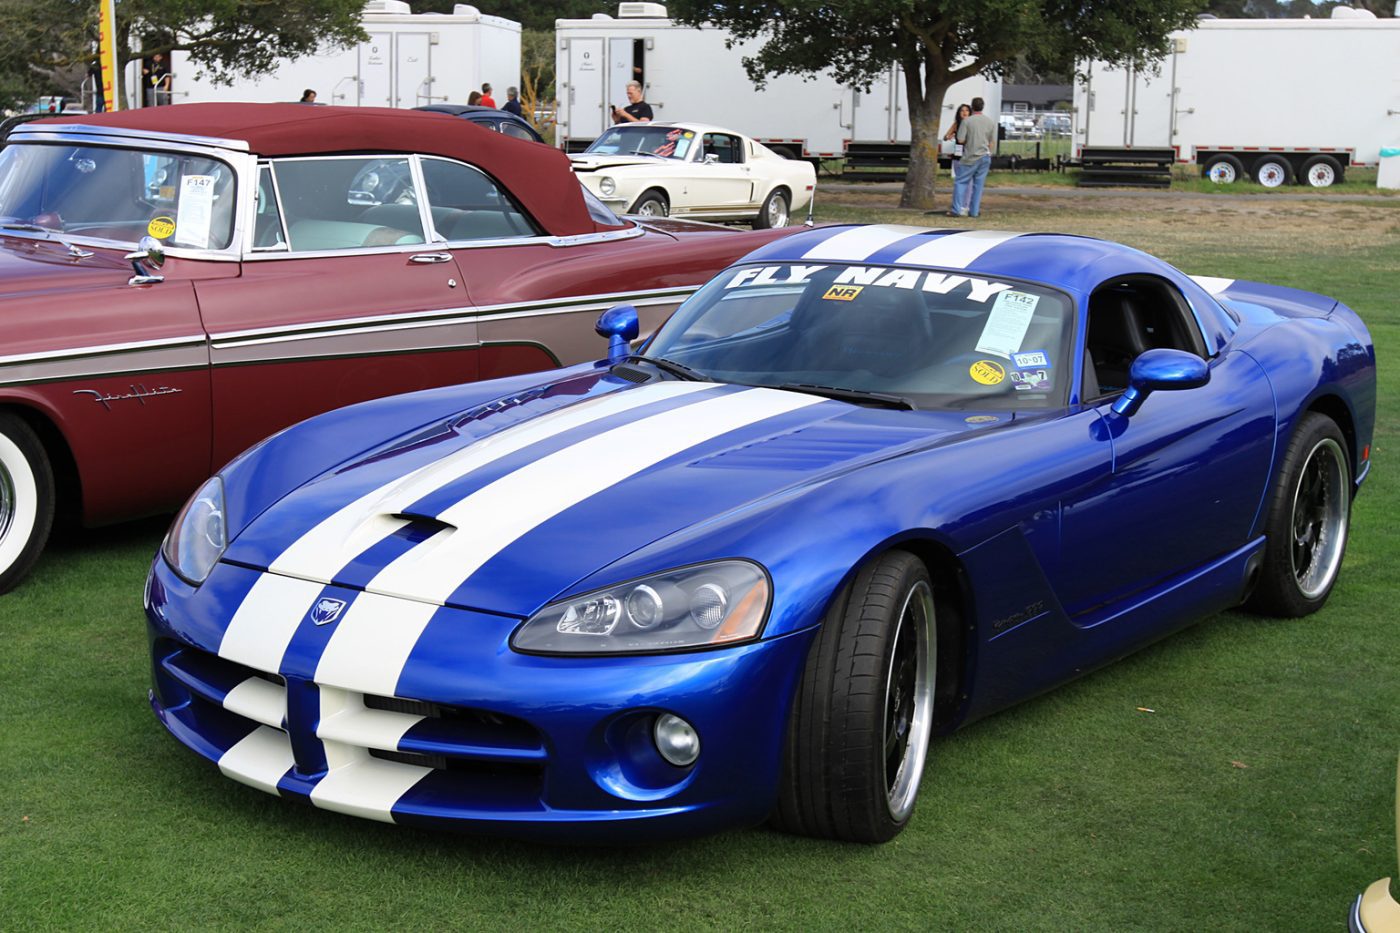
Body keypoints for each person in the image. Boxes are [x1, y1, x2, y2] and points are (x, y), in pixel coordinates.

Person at [952, 96, 997, 218]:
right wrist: (989, 152)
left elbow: (960, 140)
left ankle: (957, 210)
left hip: (970, 157)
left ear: (972, 107)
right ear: (983, 107)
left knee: (961, 182)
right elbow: (992, 141)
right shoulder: (990, 122)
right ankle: (974, 211)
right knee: (978, 185)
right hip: (985, 156)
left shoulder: (967, 121)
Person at [944, 103, 972, 217]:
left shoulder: (972, 124)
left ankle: (966, 206)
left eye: (966, 110)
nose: (964, 113)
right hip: (957, 156)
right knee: (959, 182)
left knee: (969, 183)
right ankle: (958, 206)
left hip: (969, 156)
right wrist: (949, 136)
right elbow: (946, 136)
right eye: (962, 111)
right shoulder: (956, 124)